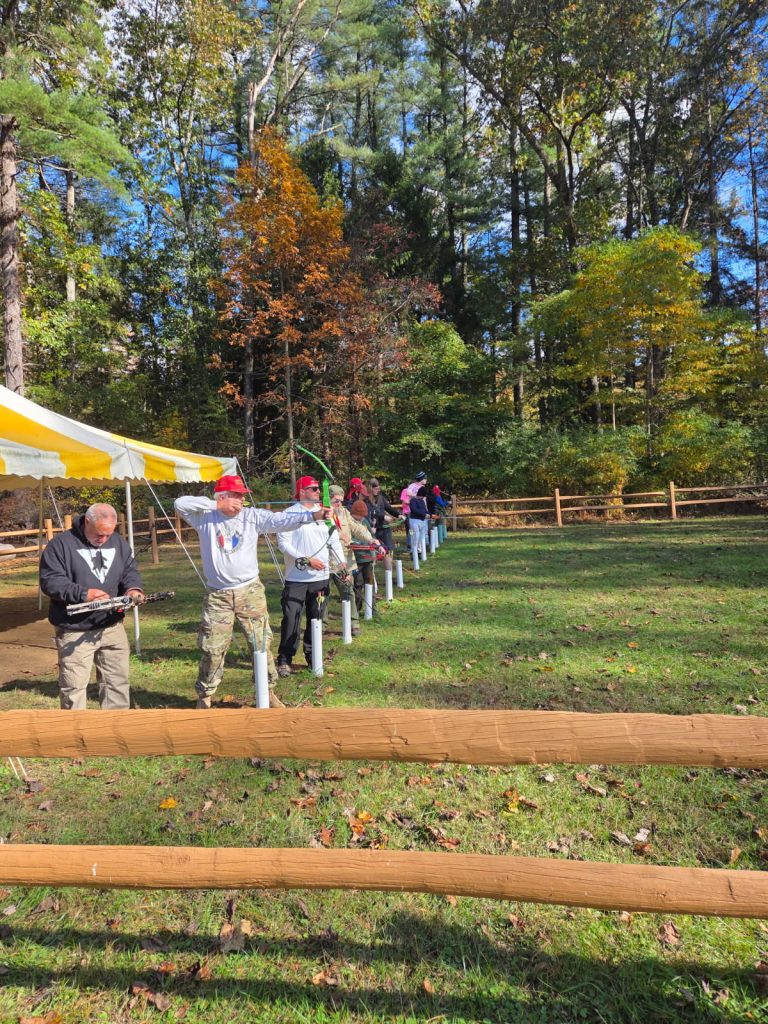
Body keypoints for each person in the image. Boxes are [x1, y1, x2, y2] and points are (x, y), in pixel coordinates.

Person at [175, 475, 332, 709]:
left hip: (250, 591)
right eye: (236, 495)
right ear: (222, 496)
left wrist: (314, 516)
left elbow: (282, 520)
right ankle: (205, 694)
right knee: (213, 647)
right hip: (219, 595)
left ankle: (267, 691)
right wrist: (217, 505)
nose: (240, 500)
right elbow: (180, 503)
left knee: (260, 642)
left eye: (242, 496)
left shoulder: (252, 517)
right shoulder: (204, 517)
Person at [39, 502, 145, 710]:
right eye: (99, 534)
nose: (104, 540)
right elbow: (50, 581)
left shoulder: (117, 542)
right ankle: (75, 734)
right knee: (74, 687)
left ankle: (116, 732)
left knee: (117, 684)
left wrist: (133, 589)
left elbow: (129, 570)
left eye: (108, 534)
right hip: (75, 630)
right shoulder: (61, 545)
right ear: (87, 521)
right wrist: (84, 594)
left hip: (112, 626)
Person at [276, 476, 346, 675]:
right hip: (296, 579)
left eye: (317, 488)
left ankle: (313, 657)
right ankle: (284, 659)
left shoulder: (324, 514)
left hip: (320, 579)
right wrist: (307, 560)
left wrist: (342, 566)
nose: (317, 492)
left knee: (316, 619)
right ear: (302, 492)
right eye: (313, 489)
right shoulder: (289, 514)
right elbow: (283, 544)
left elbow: (334, 541)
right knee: (291, 619)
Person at [324, 485, 374, 636]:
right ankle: (322, 625)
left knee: (348, 592)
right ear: (328, 499)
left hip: (344, 560)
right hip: (325, 561)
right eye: (335, 501)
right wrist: (339, 536)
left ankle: (354, 624)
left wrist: (371, 539)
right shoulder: (320, 514)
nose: (338, 504)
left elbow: (356, 528)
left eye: (340, 501)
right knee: (322, 594)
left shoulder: (345, 513)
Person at [349, 499, 380, 616]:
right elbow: (351, 540)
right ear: (353, 513)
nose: (361, 518)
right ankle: (356, 610)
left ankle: (372, 608)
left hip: (368, 558)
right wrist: (361, 544)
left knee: (370, 584)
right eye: (359, 516)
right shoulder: (349, 522)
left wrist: (376, 544)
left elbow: (371, 536)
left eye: (363, 516)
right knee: (358, 584)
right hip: (356, 559)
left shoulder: (365, 521)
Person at [366, 477, 402, 569]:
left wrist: (398, 515)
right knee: (372, 553)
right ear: (370, 488)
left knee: (387, 551)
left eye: (379, 488)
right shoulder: (366, 501)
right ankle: (370, 578)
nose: (378, 491)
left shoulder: (381, 498)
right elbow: (371, 512)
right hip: (373, 530)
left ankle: (389, 575)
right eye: (376, 489)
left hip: (384, 529)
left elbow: (389, 508)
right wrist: (383, 516)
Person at [408, 486, 429, 556]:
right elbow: (414, 510)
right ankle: (413, 552)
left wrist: (430, 515)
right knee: (415, 537)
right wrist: (424, 514)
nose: (423, 498)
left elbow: (425, 510)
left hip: (422, 521)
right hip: (414, 521)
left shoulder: (422, 501)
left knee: (421, 537)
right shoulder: (412, 500)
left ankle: (419, 551)